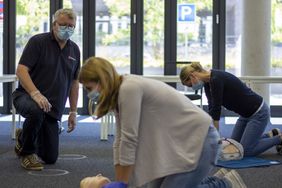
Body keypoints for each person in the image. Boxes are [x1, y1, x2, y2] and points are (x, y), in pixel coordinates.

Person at [78, 57, 247, 188]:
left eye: (89, 88)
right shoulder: (119, 95)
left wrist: (122, 183)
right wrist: (122, 182)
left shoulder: (128, 88)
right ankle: (215, 180)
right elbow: (119, 142)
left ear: (103, 81)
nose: (89, 94)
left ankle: (224, 184)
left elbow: (129, 139)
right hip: (178, 145)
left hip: (200, 141)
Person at [12, 8, 80, 170]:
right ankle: (27, 153)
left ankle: (24, 137)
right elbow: (21, 70)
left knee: (50, 158)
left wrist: (73, 111)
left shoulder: (74, 50)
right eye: (63, 25)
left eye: (71, 26)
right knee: (36, 111)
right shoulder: (38, 42)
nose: (67, 29)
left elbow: (74, 82)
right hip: (26, 97)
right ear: (54, 25)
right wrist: (35, 94)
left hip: (51, 109)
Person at [180, 62, 282, 157]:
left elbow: (216, 110)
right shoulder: (208, 83)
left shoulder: (216, 79)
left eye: (190, 85)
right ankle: (271, 134)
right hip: (245, 115)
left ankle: (278, 139)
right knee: (234, 146)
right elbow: (211, 108)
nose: (192, 87)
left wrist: (216, 139)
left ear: (193, 76)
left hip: (259, 113)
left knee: (245, 151)